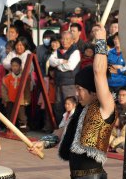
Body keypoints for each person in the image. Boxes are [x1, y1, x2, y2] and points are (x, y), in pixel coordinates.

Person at [29, 24, 116, 179]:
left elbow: (99, 73)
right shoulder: (81, 111)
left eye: (80, 89)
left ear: (93, 90)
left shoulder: (105, 106)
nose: (77, 93)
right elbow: (63, 131)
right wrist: (42, 142)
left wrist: (101, 40)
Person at [49, 31, 81, 125]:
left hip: (70, 84)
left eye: (67, 39)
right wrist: (62, 61)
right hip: (58, 83)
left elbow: (70, 66)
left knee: (70, 106)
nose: (64, 41)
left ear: (72, 41)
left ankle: (70, 127)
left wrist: (58, 66)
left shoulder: (75, 51)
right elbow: (51, 61)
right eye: (62, 39)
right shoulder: (57, 51)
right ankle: (60, 127)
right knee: (58, 107)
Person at [1, 57, 30, 131]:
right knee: (9, 115)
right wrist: (6, 99)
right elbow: (4, 89)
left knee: (22, 116)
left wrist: (27, 99)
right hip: (10, 99)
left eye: (16, 65)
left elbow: (27, 89)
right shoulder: (7, 77)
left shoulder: (24, 77)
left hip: (21, 101)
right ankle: (9, 129)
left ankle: (23, 130)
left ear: (20, 66)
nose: (14, 67)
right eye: (13, 65)